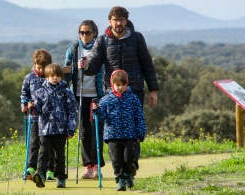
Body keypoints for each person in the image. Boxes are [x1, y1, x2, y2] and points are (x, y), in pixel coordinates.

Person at [80, 6, 159, 180]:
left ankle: (131, 165)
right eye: (115, 19)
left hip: (135, 91)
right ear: (110, 21)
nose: (118, 23)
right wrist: (85, 67)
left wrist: (153, 90)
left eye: (122, 19)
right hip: (111, 94)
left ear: (126, 21)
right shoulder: (103, 41)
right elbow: (94, 65)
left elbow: (147, 65)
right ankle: (120, 170)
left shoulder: (137, 38)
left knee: (134, 130)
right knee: (114, 133)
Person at [63, 20, 106, 179]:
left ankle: (96, 165)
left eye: (88, 32)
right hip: (79, 95)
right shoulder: (73, 49)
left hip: (97, 95)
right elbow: (67, 74)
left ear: (94, 33)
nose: (84, 35)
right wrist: (66, 72)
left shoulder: (100, 49)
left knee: (96, 131)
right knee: (84, 132)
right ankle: (88, 166)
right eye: (81, 32)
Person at [92, 70, 146, 191]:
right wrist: (96, 110)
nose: (120, 87)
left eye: (123, 84)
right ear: (112, 84)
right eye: (117, 85)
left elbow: (139, 117)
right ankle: (120, 179)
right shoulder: (106, 100)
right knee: (116, 160)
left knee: (128, 158)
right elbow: (100, 117)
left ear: (127, 84)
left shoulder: (133, 99)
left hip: (129, 135)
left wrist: (140, 133)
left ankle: (127, 175)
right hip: (112, 135)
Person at [29, 63, 77, 188]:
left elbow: (72, 111)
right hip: (45, 130)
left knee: (60, 156)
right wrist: (33, 107)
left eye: (57, 76)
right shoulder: (40, 92)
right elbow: (38, 111)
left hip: (61, 130)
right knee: (44, 154)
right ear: (47, 77)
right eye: (51, 76)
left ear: (61, 76)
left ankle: (61, 177)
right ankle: (41, 175)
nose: (54, 78)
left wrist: (70, 128)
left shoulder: (67, 92)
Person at [20, 49, 56, 181]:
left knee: (49, 145)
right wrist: (24, 104)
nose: (40, 70)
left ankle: (50, 170)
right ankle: (31, 167)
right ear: (34, 64)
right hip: (34, 117)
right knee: (34, 142)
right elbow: (24, 94)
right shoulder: (29, 78)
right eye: (38, 67)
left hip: (50, 119)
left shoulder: (52, 77)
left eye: (43, 67)